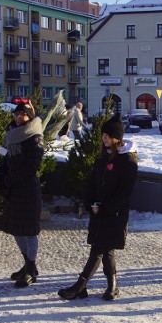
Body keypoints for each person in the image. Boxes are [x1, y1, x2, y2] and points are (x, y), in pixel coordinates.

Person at [58, 113, 138, 301]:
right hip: (98, 212)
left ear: (117, 138)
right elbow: (91, 183)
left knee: (98, 250)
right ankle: (112, 286)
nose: (104, 138)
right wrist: (90, 202)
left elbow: (125, 191)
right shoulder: (101, 159)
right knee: (105, 249)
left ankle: (80, 286)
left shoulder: (128, 161)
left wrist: (107, 207)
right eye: (103, 135)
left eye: (108, 136)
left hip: (114, 213)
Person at [0, 99, 44, 288]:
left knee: (29, 231)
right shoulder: (12, 135)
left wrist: (10, 181)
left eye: (22, 114)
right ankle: (27, 264)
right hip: (13, 190)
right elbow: (6, 160)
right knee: (16, 229)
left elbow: (31, 166)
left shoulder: (35, 137)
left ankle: (31, 268)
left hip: (28, 190)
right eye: (16, 114)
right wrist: (1, 176)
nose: (18, 117)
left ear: (29, 117)